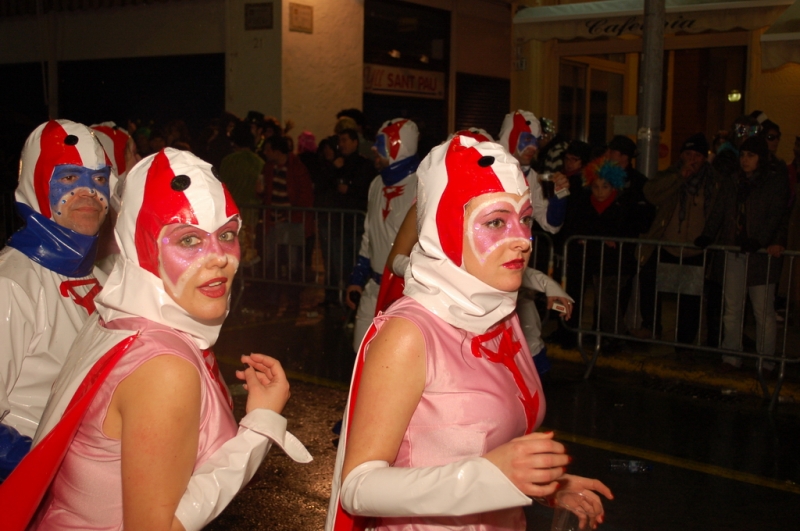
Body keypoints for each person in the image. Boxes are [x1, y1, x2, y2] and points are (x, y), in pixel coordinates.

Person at [2, 148, 312, 530]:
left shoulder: (114, 318)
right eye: (188, 240)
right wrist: (260, 426)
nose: (218, 258)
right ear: (142, 248)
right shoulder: (164, 369)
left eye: (227, 234)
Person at [327, 136, 612, 531]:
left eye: (524, 219)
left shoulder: (501, 314)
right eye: (495, 221)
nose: (522, 240)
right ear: (445, 228)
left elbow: (491, 457)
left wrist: (545, 487)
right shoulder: (410, 334)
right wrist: (488, 477)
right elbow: (358, 488)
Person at [0, 120, 111, 478]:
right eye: (67, 179)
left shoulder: (104, 280)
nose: (88, 193)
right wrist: (46, 473)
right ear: (35, 186)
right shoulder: (11, 285)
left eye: (98, 179)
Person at [696, 136, 789, 372]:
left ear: (761, 158)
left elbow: (776, 215)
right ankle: (731, 356)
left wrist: (760, 240)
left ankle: (765, 360)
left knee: (762, 311)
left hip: (760, 255)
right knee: (732, 307)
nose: (745, 160)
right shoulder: (732, 181)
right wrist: (708, 234)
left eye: (751, 155)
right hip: (735, 249)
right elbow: (719, 210)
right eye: (743, 155)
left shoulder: (774, 182)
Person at [634, 133, 722, 347]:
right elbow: (651, 192)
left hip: (695, 249)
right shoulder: (671, 174)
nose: (692, 159)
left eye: (697, 155)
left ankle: (684, 341)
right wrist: (679, 177)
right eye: (688, 154)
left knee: (689, 297)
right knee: (650, 281)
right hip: (667, 243)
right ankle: (651, 326)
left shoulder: (714, 182)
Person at [346, 118, 420, 350]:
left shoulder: (423, 185)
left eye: (381, 143)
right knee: (361, 353)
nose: (374, 149)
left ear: (399, 146)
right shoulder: (376, 184)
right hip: (375, 284)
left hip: (407, 289)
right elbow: (369, 234)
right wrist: (358, 277)